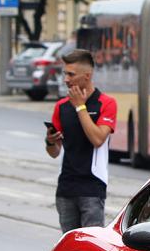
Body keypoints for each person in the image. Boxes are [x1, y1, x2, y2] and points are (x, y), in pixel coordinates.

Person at [44, 49, 117, 231]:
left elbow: (98, 139)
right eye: (64, 73)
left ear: (87, 76)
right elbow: (54, 153)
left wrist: (80, 107)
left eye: (71, 74)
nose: (66, 79)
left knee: (90, 247)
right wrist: (50, 141)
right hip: (66, 187)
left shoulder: (106, 103)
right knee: (68, 246)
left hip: (92, 187)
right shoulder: (61, 106)